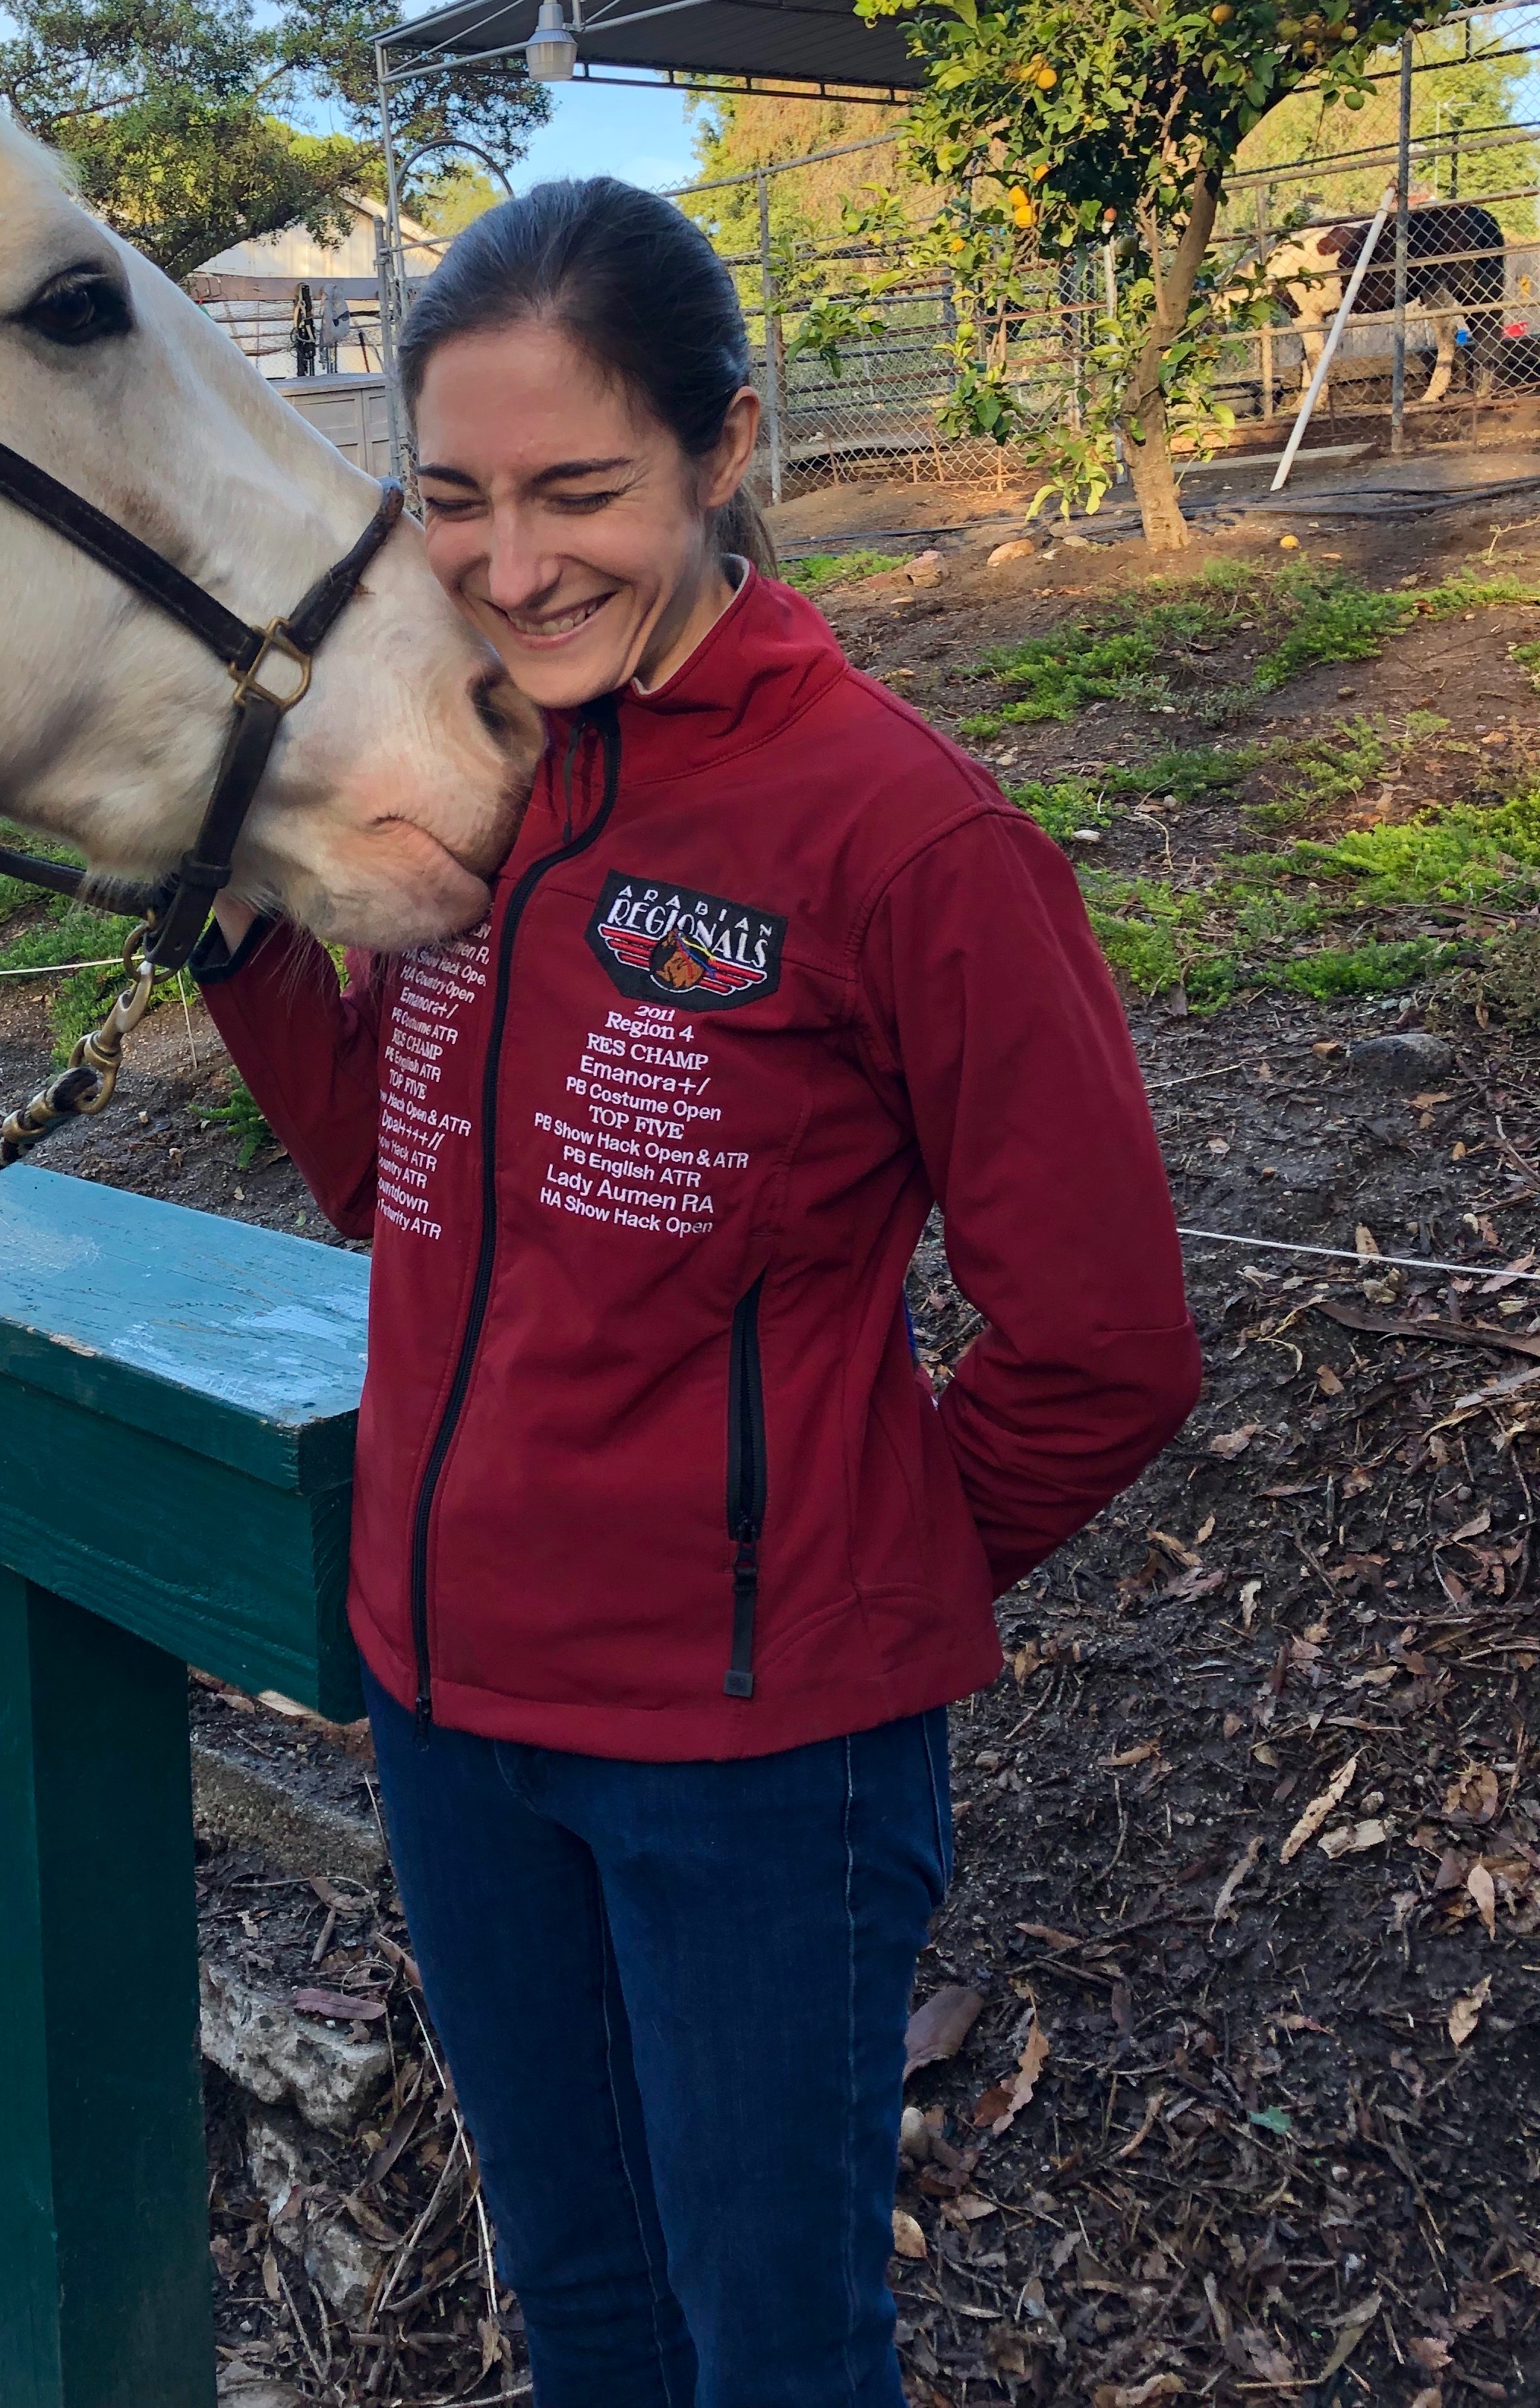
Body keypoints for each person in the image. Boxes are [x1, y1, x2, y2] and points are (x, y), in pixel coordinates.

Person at [195, 177, 1198, 2408]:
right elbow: (394, 1176)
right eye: (449, 499)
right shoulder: (463, 780)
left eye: (580, 491)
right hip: (451, 1713)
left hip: (753, 1764)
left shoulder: (902, 839)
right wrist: (232, 928)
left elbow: (1109, 1338)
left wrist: (848, 1579)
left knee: (770, 2347)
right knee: (589, 2309)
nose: (512, 563)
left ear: (724, 449)